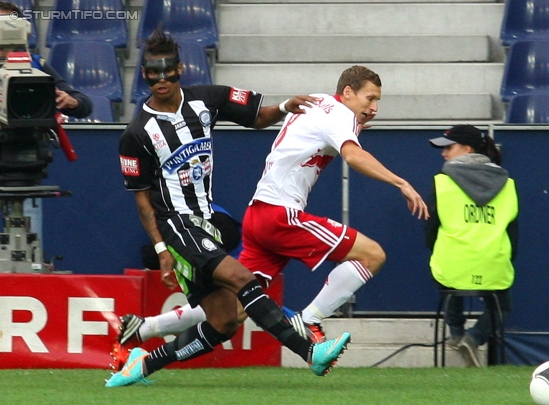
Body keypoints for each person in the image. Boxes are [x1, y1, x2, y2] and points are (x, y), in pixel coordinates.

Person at [115, 64, 428, 352]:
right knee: (372, 255)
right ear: (348, 92)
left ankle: (144, 328)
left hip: (259, 214)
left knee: (234, 306)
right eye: (369, 99)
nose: (373, 108)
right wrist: (400, 182)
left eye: (377, 102)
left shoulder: (319, 103)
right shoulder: (340, 115)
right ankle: (308, 322)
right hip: (281, 215)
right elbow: (354, 156)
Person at [106, 29, 350, 387]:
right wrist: (161, 248)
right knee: (242, 279)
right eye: (152, 72)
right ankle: (309, 352)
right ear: (143, 73)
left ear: (179, 69)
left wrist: (284, 108)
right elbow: (142, 199)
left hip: (205, 225)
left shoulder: (206, 100)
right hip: (177, 226)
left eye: (167, 70)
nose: (160, 79)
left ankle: (143, 364)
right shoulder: (137, 133)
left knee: (224, 322)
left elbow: (257, 117)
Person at [424, 125, 518, 367]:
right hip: (494, 264)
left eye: (448, 148)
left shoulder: (442, 182)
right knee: (502, 304)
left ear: (466, 149)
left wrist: (438, 250)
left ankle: (456, 334)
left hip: (452, 266)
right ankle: (473, 338)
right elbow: (513, 235)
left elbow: (430, 230)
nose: (443, 153)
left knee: (449, 279)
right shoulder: (508, 184)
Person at [0, 2, 93, 243]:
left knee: (25, 242)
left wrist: (69, 101)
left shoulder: (36, 66)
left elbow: (84, 104)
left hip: (26, 165)